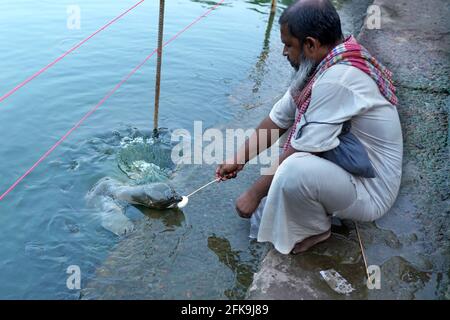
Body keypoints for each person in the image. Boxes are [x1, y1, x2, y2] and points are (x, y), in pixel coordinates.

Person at [215, 0, 403, 255]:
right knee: (292, 139)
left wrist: (254, 194)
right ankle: (317, 204)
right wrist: (238, 159)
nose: (283, 52)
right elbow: (278, 119)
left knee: (293, 171)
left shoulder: (337, 80)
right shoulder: (327, 61)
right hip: (352, 169)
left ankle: (314, 228)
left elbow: (299, 150)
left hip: (372, 191)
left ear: (311, 45)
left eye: (288, 45)